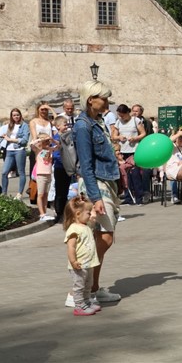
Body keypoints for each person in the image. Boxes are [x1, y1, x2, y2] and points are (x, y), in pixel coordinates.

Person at [72, 79, 122, 304]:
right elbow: (86, 165)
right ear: (91, 100)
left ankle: (92, 289)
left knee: (98, 238)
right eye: (104, 98)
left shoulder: (97, 122)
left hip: (106, 183)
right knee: (104, 239)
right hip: (96, 185)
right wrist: (95, 197)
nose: (108, 102)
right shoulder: (83, 126)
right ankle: (78, 290)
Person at [62, 195, 102, 316]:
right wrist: (73, 261)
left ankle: (86, 302)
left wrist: (93, 213)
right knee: (79, 286)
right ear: (78, 214)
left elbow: (93, 221)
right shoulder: (73, 229)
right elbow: (71, 247)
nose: (90, 215)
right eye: (88, 213)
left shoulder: (86, 226)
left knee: (88, 285)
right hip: (79, 264)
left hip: (89, 263)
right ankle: (79, 306)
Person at [111, 104, 147, 205]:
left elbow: (143, 133)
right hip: (123, 152)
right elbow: (113, 136)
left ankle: (139, 197)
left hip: (134, 151)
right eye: (119, 115)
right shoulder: (118, 122)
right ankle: (128, 197)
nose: (121, 117)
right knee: (125, 175)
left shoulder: (135, 120)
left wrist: (135, 138)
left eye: (122, 115)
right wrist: (119, 137)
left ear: (127, 112)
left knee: (135, 174)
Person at [1, 108, 30, 199]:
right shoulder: (10, 125)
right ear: (11, 116)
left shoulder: (24, 125)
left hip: (19, 150)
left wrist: (10, 139)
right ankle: (4, 193)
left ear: (20, 115)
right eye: (14, 115)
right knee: (4, 172)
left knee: (21, 172)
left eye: (17, 115)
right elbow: (4, 138)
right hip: (9, 150)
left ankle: (19, 193)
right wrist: (4, 138)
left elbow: (24, 140)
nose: (16, 117)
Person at [31, 132, 57, 221]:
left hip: (48, 174)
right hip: (41, 174)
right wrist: (41, 139)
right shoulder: (38, 150)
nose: (47, 142)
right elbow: (32, 144)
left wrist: (52, 140)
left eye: (48, 141)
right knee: (40, 194)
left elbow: (58, 146)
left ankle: (45, 212)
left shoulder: (50, 149)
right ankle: (42, 214)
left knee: (46, 195)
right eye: (45, 141)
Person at [52, 116, 73, 223]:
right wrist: (65, 161)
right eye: (64, 125)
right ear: (58, 126)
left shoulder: (68, 136)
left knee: (66, 190)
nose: (66, 126)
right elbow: (56, 154)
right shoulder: (56, 138)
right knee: (60, 191)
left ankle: (65, 212)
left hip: (68, 167)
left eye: (67, 124)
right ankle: (59, 213)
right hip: (60, 168)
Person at [29, 102, 56, 183]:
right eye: (42, 109)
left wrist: (50, 108)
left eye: (46, 109)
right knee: (37, 172)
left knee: (47, 171)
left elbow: (57, 120)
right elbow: (34, 137)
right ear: (38, 110)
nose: (44, 111)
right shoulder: (33, 121)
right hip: (38, 148)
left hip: (48, 148)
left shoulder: (49, 122)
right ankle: (34, 189)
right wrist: (37, 149)